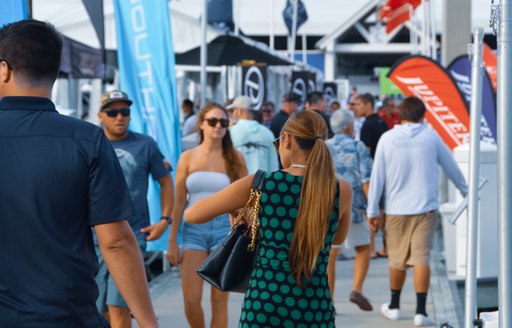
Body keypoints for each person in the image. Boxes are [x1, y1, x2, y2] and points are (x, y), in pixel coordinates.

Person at [0, 19, 157, 327]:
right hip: (67, 315)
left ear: (3, 69)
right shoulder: (87, 140)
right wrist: (149, 321)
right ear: (56, 71)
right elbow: (115, 241)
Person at [184, 110, 352, 327]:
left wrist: (235, 210)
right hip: (314, 305)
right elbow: (337, 239)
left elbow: (193, 214)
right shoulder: (341, 189)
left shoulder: (263, 183)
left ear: (287, 140)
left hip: (265, 301)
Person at [367, 96, 468, 327]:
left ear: (400, 114)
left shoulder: (387, 138)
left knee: (397, 259)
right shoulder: (430, 137)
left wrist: (373, 210)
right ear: (423, 115)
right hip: (425, 208)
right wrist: (466, 191)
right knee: (421, 258)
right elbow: (451, 166)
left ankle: (394, 306)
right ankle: (421, 311)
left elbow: (377, 177)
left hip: (395, 210)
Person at [96, 90, 174, 327]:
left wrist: (164, 220)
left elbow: (165, 181)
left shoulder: (145, 144)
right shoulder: (91, 142)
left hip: (131, 236)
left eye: (125, 111)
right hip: (93, 240)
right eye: (112, 112)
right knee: (98, 311)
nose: (119, 117)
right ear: (101, 115)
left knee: (119, 308)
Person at [167, 102, 247, 328]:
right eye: (212, 121)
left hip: (225, 228)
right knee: (191, 301)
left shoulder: (235, 158)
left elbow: (247, 198)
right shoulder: (188, 157)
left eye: (223, 122)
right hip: (193, 230)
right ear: (201, 124)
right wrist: (172, 241)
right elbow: (179, 200)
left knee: (219, 299)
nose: (218, 126)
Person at [326, 109, 373, 313]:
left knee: (330, 253)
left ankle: (329, 300)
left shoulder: (324, 147)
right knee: (363, 247)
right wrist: (373, 209)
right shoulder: (357, 146)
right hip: (353, 205)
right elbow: (366, 179)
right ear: (348, 126)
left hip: (328, 207)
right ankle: (357, 289)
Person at [228, 95, 279, 174]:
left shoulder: (230, 131)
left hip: (238, 184)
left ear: (239, 111)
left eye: (234, 110)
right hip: (263, 184)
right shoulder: (269, 133)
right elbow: (274, 165)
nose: (233, 114)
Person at [355, 93, 388, 158]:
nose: (356, 107)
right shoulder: (382, 121)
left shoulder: (367, 125)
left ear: (369, 105)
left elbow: (365, 154)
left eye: (358, 104)